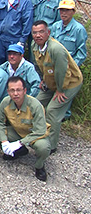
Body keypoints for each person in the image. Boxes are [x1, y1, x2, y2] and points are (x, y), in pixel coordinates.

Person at [0, 76, 51, 181]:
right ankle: (17, 152)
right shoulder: (6, 102)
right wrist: (4, 141)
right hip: (17, 131)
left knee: (44, 147)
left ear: (25, 91)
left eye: (18, 90)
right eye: (12, 90)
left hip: (34, 135)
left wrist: (20, 142)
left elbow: (40, 130)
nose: (15, 93)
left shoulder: (35, 105)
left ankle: (39, 166)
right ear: (8, 91)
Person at [31, 20, 83, 151]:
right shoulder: (34, 46)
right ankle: (37, 132)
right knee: (36, 104)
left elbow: (63, 72)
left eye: (41, 32)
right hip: (51, 80)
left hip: (69, 83)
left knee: (53, 111)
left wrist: (60, 90)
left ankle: (51, 145)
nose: (38, 35)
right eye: (35, 33)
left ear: (48, 33)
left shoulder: (56, 49)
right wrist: (44, 79)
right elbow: (42, 65)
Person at [51, 0, 87, 66]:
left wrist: (72, 67)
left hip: (69, 67)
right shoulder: (55, 26)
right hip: (54, 65)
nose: (64, 13)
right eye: (61, 10)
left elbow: (81, 53)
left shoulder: (78, 29)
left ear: (73, 12)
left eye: (67, 10)